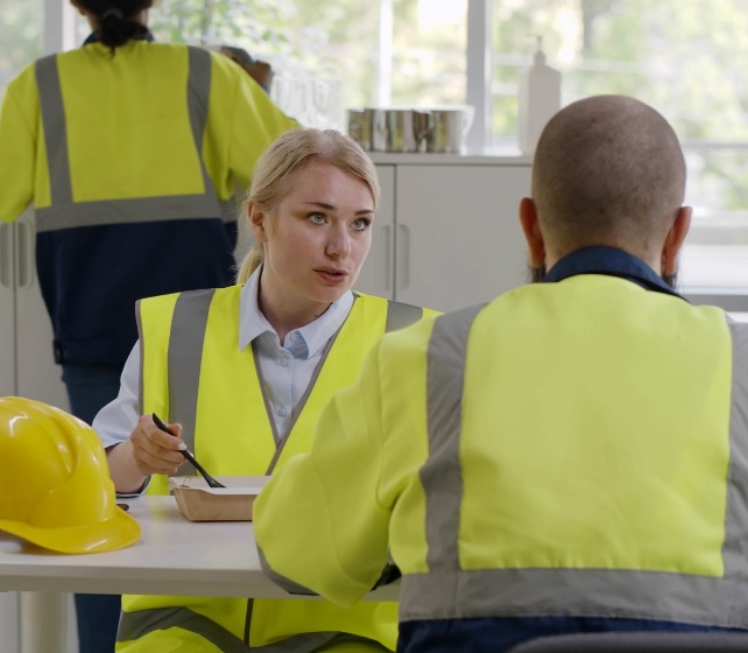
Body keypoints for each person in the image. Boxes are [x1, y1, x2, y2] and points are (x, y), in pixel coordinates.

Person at [252, 95, 748, 653]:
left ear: (529, 226)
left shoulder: (427, 357)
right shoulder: (740, 364)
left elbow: (295, 554)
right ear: (679, 234)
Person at [0, 1, 297, 650]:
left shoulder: (44, 84)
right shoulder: (205, 75)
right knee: (203, 507)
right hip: (196, 335)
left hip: (91, 320)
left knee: (92, 509)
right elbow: (288, 161)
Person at [92, 127, 439, 652]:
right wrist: (137, 458)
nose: (341, 247)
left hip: (345, 629)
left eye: (360, 223)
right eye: (317, 217)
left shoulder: (412, 341)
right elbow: (99, 482)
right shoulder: (176, 327)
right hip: (186, 626)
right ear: (259, 219)